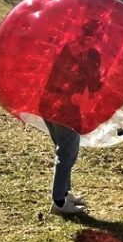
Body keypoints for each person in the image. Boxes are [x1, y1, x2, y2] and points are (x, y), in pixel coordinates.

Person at [38, 19, 102, 216]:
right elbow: (93, 85)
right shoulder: (90, 54)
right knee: (66, 155)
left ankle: (65, 193)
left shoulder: (67, 47)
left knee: (64, 151)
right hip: (65, 109)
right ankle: (58, 202)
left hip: (49, 105)